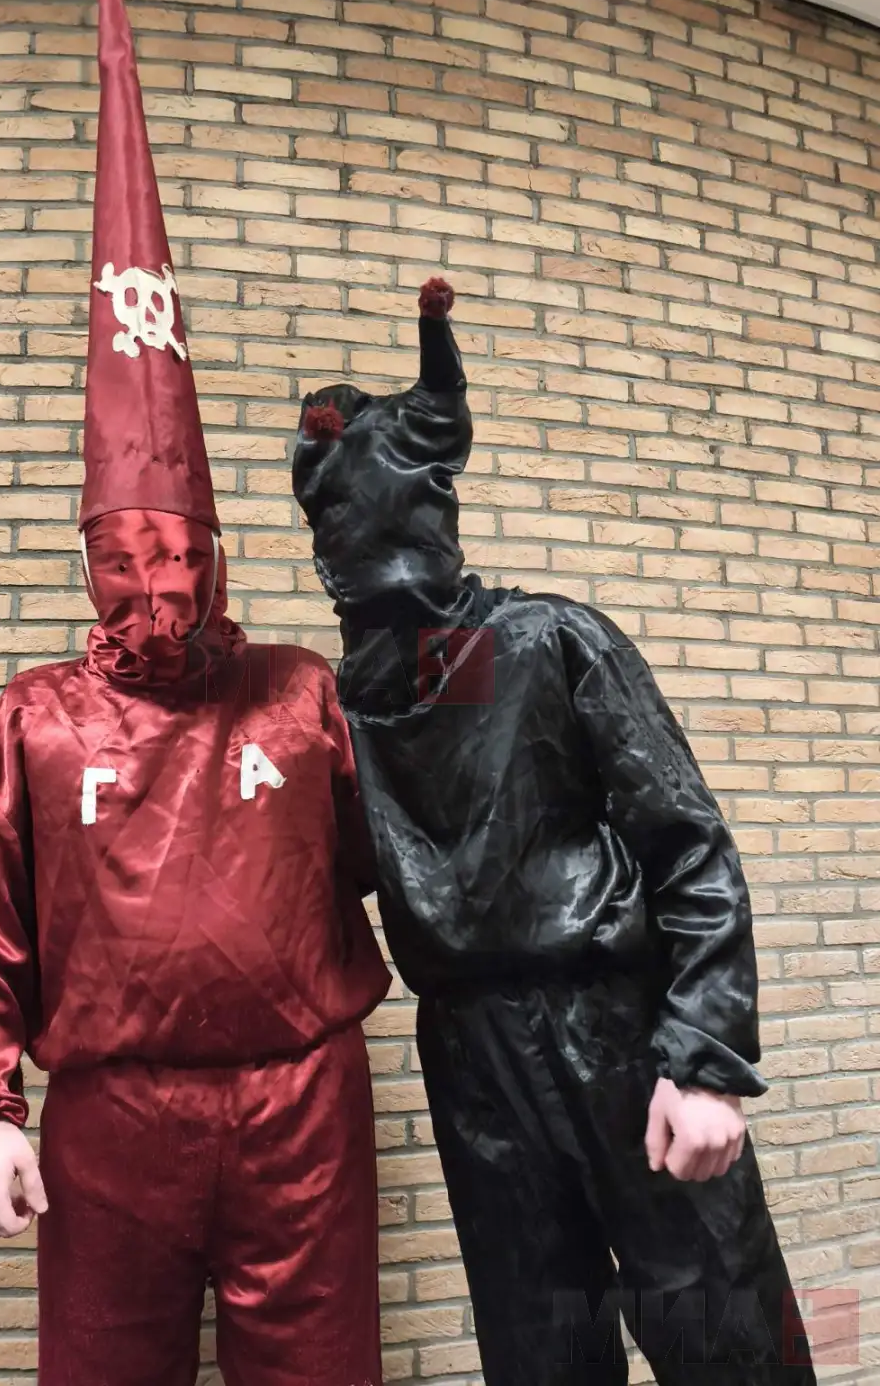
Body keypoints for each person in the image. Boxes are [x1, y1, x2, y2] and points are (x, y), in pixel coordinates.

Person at [0, 0, 389, 1384]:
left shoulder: (304, 692)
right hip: (113, 1116)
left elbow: (396, 857)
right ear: (90, 564)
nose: (159, 588)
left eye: (181, 556)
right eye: (127, 561)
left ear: (218, 555)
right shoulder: (38, 718)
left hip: (303, 1103)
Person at [290, 278, 816, 1385]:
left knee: (725, 1335)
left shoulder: (549, 642)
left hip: (614, 1027)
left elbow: (689, 846)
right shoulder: (342, 713)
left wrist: (706, 1060)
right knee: (540, 1352)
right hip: (473, 1056)